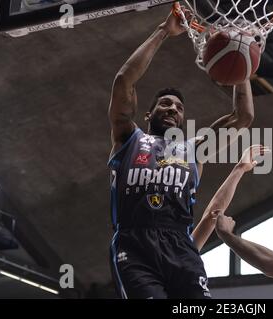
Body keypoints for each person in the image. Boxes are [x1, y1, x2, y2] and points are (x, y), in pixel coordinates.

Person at [108, 10, 254, 299]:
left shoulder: (194, 148)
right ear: (149, 113)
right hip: (135, 244)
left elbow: (243, 116)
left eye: (179, 107)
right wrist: (163, 30)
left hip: (181, 246)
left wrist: (241, 64)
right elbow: (124, 80)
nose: (173, 108)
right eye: (166, 103)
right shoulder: (128, 137)